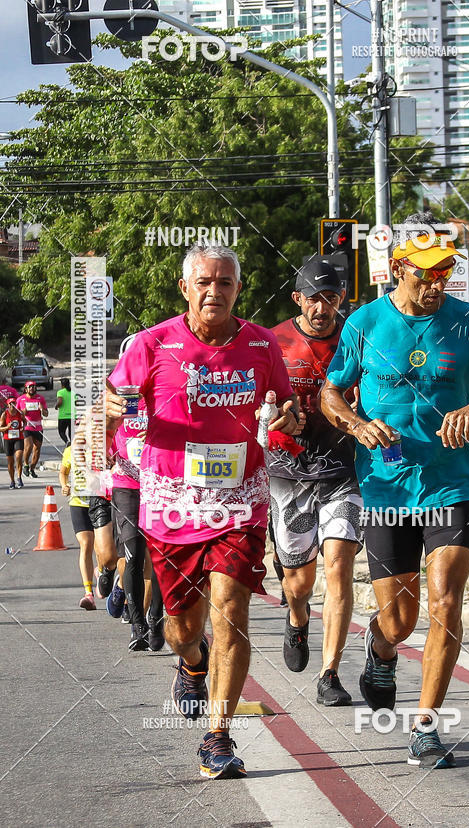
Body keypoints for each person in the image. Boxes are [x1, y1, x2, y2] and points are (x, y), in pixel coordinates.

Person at [321, 216, 469, 769]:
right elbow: (330, 393)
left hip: (449, 484)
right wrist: (355, 425)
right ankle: (381, 647)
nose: (438, 284)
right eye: (426, 274)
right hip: (386, 485)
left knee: (445, 601)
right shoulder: (365, 323)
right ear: (398, 269)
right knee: (400, 619)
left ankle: (425, 725)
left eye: (445, 273)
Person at [105, 243, 297, 779]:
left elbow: (284, 406)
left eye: (226, 282)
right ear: (186, 289)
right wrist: (114, 406)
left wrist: (287, 415)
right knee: (182, 629)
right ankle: (191, 663)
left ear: (239, 288)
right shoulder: (152, 343)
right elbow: (116, 402)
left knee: (232, 611)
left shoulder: (262, 344)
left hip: (240, 500)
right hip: (172, 503)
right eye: (205, 282)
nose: (215, 291)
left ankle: (218, 737)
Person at [268, 260, 363, 705]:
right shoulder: (274, 341)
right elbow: (255, 402)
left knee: (339, 566)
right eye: (312, 297)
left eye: (330, 297)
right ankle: (297, 617)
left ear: (340, 299)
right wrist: (273, 419)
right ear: (297, 299)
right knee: (299, 582)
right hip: (289, 471)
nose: (321, 307)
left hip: (344, 470)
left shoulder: (357, 336)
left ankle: (330, 674)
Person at [107, 393, 165, 651]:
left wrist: (157, 438)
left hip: (162, 485)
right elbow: (99, 436)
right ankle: (138, 625)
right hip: (126, 486)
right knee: (134, 555)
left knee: (161, 557)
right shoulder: (119, 400)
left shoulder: (164, 394)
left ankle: (156, 619)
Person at [59, 444, 98, 610]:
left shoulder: (100, 448)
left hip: (100, 502)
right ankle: (88, 593)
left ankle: (102, 571)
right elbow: (63, 471)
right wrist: (64, 485)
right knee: (86, 544)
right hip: (78, 503)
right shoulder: (70, 451)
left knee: (103, 550)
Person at [16, 380, 48, 478]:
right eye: (30, 387)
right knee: (28, 446)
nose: (32, 388)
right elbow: (17, 415)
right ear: (26, 389)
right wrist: (23, 413)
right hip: (27, 426)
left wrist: (42, 409)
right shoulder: (20, 399)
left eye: (34, 387)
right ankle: (26, 464)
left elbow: (46, 414)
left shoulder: (40, 399)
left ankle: (32, 468)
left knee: (37, 449)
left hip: (38, 427)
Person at [0, 394, 26, 488]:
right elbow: (0, 428)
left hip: (19, 437)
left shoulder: (20, 413)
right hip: (8, 439)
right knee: (10, 462)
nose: (13, 405)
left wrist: (23, 427)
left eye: (14, 403)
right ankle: (12, 481)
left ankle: (19, 477)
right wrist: (7, 427)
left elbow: (25, 421)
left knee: (19, 456)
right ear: (8, 405)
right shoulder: (5, 414)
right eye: (11, 404)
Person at [55, 377, 73, 446]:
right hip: (72, 415)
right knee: (71, 432)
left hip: (63, 416)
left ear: (62, 385)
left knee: (61, 431)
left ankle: (67, 442)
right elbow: (76, 403)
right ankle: (72, 444)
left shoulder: (60, 392)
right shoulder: (73, 392)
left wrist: (56, 406)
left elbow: (60, 402)